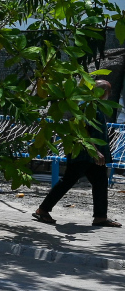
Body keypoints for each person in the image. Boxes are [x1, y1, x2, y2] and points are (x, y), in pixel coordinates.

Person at [34, 79, 122, 228]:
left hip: (93, 156)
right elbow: (82, 130)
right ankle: (42, 210)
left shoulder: (95, 106)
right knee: (68, 181)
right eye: (108, 91)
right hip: (84, 154)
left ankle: (100, 217)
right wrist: (94, 151)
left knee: (100, 183)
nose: (110, 94)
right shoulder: (88, 107)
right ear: (102, 92)